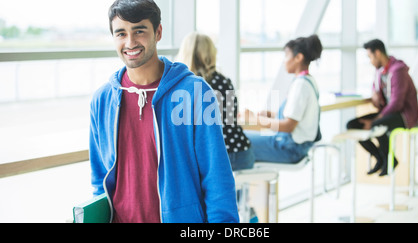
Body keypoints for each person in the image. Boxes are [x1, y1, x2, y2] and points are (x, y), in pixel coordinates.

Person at [89, 0, 239, 223]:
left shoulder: (195, 93)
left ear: (158, 32)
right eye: (121, 33)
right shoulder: (102, 100)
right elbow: (100, 180)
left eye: (139, 31)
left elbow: (216, 178)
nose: (130, 42)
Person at [176, 32, 255, 171]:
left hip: (216, 158)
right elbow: (230, 119)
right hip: (240, 152)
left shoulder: (182, 86)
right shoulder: (223, 81)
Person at [242, 35, 323, 164]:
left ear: (298, 57)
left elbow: (288, 126)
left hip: (290, 148)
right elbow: (296, 118)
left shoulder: (300, 85)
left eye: (286, 56)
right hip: (298, 146)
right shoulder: (309, 81)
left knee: (237, 142)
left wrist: (254, 119)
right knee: (242, 138)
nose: (284, 61)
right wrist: (273, 115)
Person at [346, 39, 418, 177]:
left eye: (370, 57)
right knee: (352, 125)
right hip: (388, 112)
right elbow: (376, 85)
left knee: (377, 124)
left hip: (404, 115)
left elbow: (397, 103)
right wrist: (374, 91)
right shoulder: (380, 71)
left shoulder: (398, 71)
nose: (370, 61)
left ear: (378, 53)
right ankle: (380, 158)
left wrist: (375, 120)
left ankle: (390, 160)